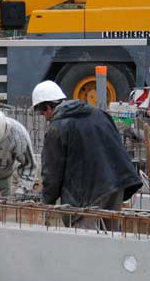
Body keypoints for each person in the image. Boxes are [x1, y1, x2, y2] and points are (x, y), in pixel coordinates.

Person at [32, 80, 142, 212]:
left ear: (48, 107)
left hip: (86, 195)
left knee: (84, 232)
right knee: (111, 232)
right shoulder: (99, 114)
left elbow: (52, 173)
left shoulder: (57, 128)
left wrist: (47, 202)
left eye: (43, 114)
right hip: (116, 186)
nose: (47, 119)